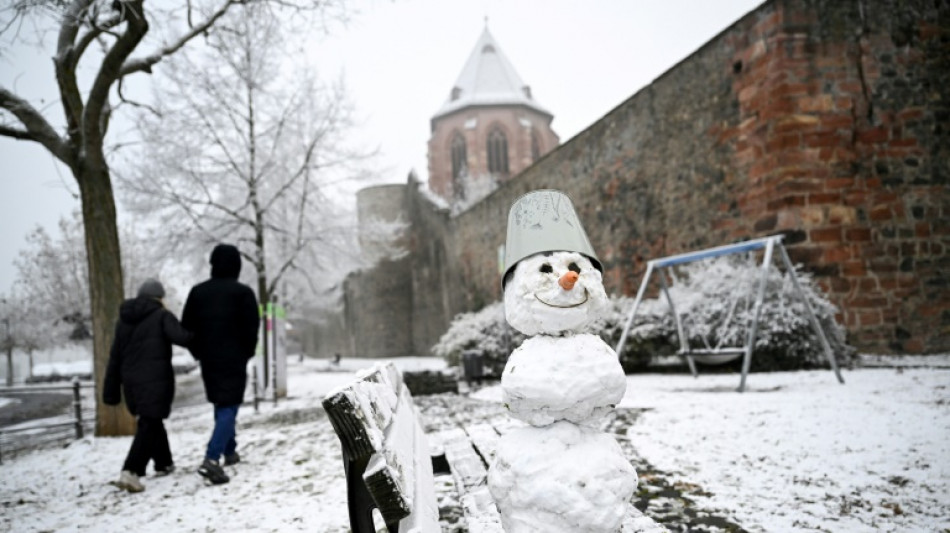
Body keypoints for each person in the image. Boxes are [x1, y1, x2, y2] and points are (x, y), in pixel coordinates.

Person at [104, 278, 192, 493]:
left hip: (131, 383)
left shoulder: (123, 321)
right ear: (160, 298)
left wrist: (111, 390)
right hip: (156, 379)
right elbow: (183, 337)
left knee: (151, 419)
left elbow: (115, 357)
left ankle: (164, 463)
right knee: (150, 422)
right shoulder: (162, 316)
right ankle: (131, 471)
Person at [182, 243, 260, 485]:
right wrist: (245, 353)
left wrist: (199, 352)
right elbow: (252, 328)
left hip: (209, 359)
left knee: (221, 403)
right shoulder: (243, 293)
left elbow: (187, 328)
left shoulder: (198, 292)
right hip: (234, 358)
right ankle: (212, 458)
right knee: (229, 405)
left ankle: (230, 451)